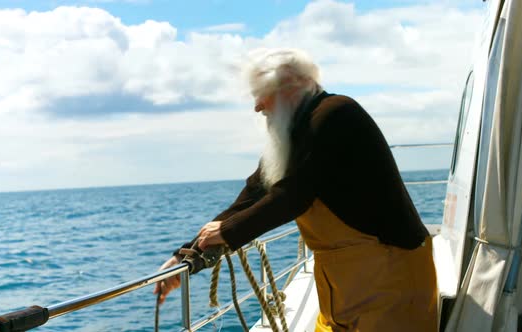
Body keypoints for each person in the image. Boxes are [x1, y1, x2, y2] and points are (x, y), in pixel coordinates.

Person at [154, 48, 438, 331]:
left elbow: (294, 194)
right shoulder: (297, 131)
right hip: (345, 286)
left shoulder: (335, 114)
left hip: (389, 279)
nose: (257, 106)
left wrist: (228, 233)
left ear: (294, 84)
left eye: (262, 91)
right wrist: (186, 255)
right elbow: (254, 193)